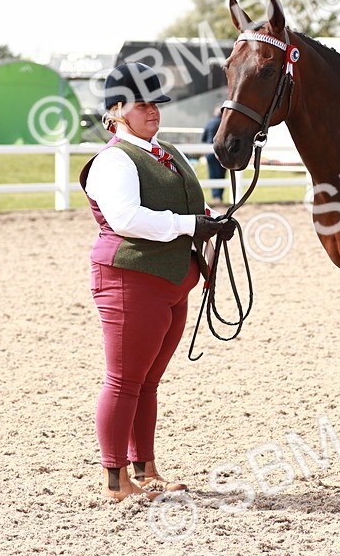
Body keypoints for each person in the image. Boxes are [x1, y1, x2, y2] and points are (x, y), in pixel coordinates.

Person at [79, 62, 235, 502]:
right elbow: (127, 218)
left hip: (170, 281)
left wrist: (209, 224)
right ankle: (115, 480)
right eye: (142, 104)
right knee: (124, 380)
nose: (153, 112)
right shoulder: (114, 160)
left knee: (148, 382)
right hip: (131, 279)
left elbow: (183, 207)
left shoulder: (163, 152)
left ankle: (145, 469)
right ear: (117, 110)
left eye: (156, 104)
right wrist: (189, 225)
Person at [201, 108, 226, 202]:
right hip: (222, 153)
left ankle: (216, 196)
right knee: (221, 175)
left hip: (210, 153)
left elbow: (203, 138)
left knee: (213, 174)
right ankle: (219, 195)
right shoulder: (224, 123)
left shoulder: (209, 123)